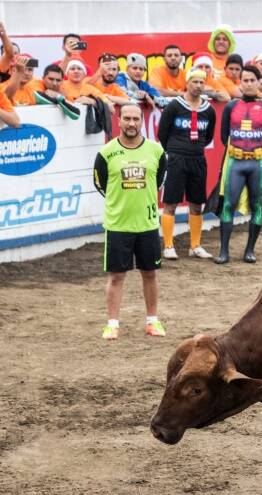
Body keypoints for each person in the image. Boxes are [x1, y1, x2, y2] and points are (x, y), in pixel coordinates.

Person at [93, 103, 167, 340]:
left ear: (141, 121)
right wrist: (120, 201)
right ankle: (112, 324)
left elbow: (159, 180)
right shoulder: (106, 153)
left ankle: (152, 321)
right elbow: (99, 183)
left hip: (147, 224)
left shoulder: (156, 151)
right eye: (127, 119)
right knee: (116, 276)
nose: (132, 123)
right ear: (119, 120)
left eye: (136, 119)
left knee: (150, 274)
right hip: (118, 225)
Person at [213, 65, 262, 264]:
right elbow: (224, 137)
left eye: (252, 80)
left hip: (258, 163)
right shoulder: (231, 106)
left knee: (257, 205)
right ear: (240, 83)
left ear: (258, 82)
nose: (248, 84)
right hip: (235, 163)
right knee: (228, 205)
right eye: (245, 80)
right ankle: (224, 251)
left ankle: (250, 250)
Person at [157, 68, 217, 260]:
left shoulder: (208, 110)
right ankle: (168, 245)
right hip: (176, 158)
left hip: (197, 159)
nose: (198, 86)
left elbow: (208, 136)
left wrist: (194, 148)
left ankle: (195, 245)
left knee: (196, 204)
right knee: (171, 203)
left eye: (202, 82)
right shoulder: (174, 106)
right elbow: (162, 134)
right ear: (188, 83)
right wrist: (175, 150)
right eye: (195, 82)